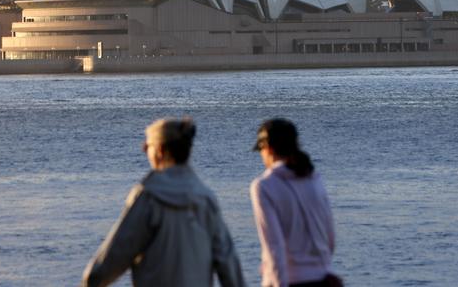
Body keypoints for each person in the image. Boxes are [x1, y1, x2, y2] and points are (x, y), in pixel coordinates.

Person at [82, 117, 246, 287]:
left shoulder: (148, 197)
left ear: (160, 150)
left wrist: (90, 281)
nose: (145, 150)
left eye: (148, 146)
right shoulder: (206, 198)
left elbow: (116, 254)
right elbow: (228, 262)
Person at [250, 118, 337, 287]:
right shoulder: (313, 178)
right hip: (323, 278)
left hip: (291, 281)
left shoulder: (263, 186)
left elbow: (274, 246)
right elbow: (330, 239)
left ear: (269, 149)